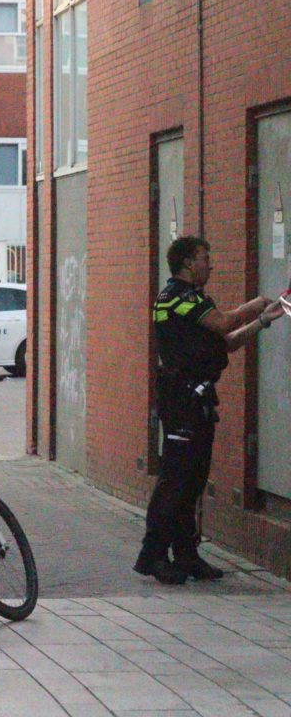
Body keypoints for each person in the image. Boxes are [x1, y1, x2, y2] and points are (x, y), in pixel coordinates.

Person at [135, 236, 284, 585]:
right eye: (205, 258)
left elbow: (228, 342)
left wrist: (263, 321)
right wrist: (254, 304)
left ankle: (186, 555)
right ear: (188, 263)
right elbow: (222, 324)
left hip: (198, 399)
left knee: (194, 478)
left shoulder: (197, 300)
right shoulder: (176, 298)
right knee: (175, 478)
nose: (210, 264)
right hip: (180, 400)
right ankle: (153, 555)